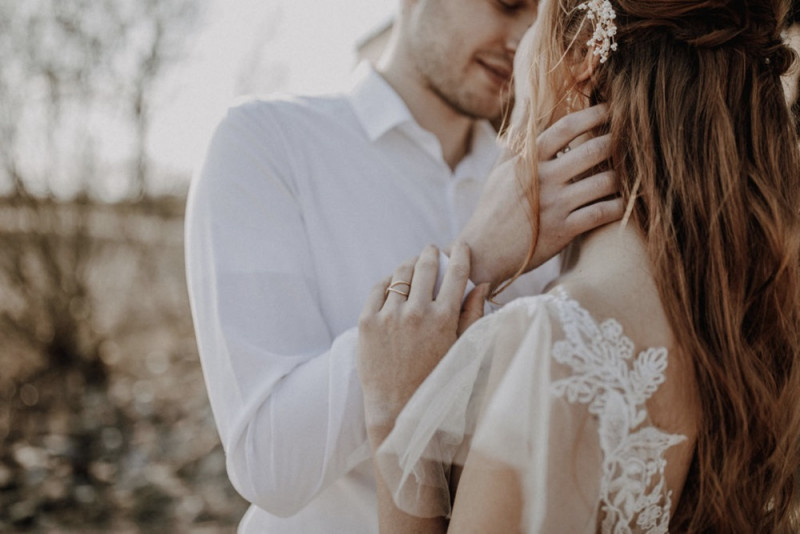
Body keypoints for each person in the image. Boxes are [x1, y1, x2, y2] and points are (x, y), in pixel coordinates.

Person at [358, 0, 800, 532]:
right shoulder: (754, 324)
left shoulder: (552, 339)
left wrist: (394, 412)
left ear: (584, 54)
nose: (520, 49)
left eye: (537, 19)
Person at [184, 0, 624, 531]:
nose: (521, 38)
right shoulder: (265, 141)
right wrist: (475, 259)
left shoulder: (547, 183)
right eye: (508, 4)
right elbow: (268, 463)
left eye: (541, 19)